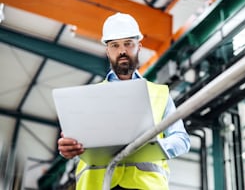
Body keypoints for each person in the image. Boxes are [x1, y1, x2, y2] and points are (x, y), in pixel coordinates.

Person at [57, 12, 190, 190]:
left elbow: (181, 139)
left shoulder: (160, 94)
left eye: (128, 43)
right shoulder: (89, 97)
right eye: (114, 45)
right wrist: (68, 148)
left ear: (139, 47)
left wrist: (151, 147)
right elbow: (76, 142)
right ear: (107, 51)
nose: (122, 51)